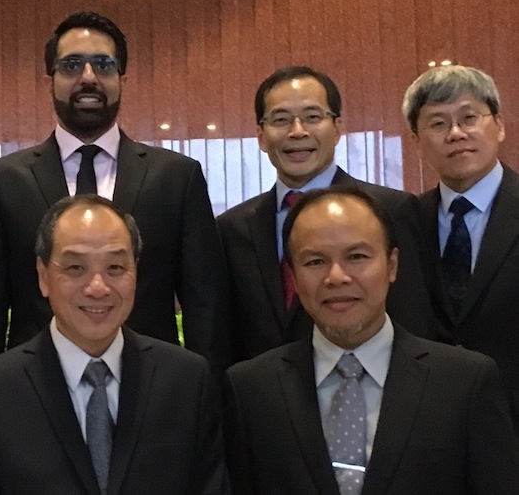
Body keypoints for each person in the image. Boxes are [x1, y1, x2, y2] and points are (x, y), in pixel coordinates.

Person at [0, 11, 226, 387]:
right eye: (71, 65)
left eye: (103, 64)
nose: (88, 77)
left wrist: (207, 411)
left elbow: (206, 311)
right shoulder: (2, 182)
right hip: (35, 397)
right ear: (50, 78)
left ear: (122, 78)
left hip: (155, 394)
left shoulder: (177, 178)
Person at [223, 187, 519, 494]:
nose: (336, 276)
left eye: (356, 257)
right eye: (315, 262)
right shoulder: (252, 390)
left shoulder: (464, 384)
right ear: (294, 278)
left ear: (392, 265)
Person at [0, 195, 226, 495]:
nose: (98, 287)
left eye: (116, 268)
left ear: (136, 272)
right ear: (43, 277)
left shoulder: (185, 379)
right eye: (75, 268)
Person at [216, 65, 435, 363]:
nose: (297, 131)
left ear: (337, 128)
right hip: (265, 399)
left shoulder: (392, 210)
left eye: (312, 117)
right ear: (261, 136)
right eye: (280, 120)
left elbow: (415, 321)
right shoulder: (232, 227)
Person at [404, 65, 519, 430]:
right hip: (432, 429)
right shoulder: (403, 223)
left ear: (499, 125)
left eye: (469, 117)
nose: (456, 134)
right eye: (437, 123)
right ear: (416, 141)